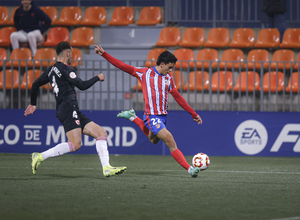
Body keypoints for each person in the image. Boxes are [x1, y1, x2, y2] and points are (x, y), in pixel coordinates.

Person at [94, 44, 203, 178]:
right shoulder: (145, 73)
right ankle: (189, 169)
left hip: (162, 117)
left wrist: (193, 113)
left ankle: (133, 117)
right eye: (169, 68)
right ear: (162, 64)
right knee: (170, 140)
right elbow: (122, 66)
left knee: (153, 140)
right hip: (152, 116)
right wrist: (104, 54)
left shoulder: (168, 78)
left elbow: (178, 97)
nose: (170, 71)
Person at [24, 41, 126, 177]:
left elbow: (35, 84)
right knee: (75, 144)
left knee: (101, 133)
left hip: (71, 109)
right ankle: (40, 156)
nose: (72, 57)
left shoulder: (51, 70)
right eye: (71, 54)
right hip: (67, 109)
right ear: (67, 54)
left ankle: (106, 167)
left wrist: (33, 103)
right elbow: (82, 85)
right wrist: (98, 77)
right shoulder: (66, 69)